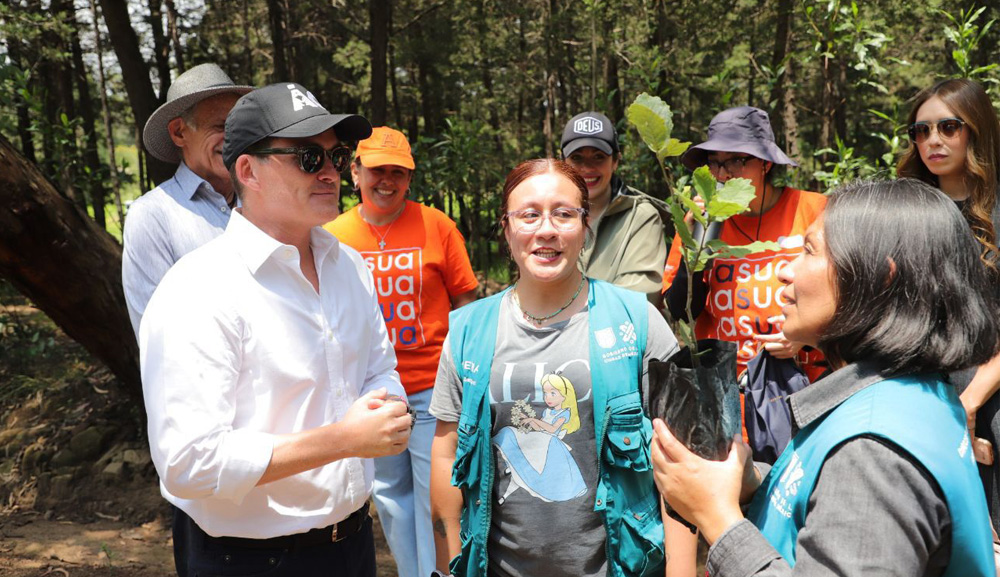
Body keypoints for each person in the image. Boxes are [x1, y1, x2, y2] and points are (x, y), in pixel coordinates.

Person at [652, 179, 999, 576]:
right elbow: (833, 500)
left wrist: (718, 520)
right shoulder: (910, 392)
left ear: (879, 278)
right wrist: (753, 482)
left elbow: (862, 490)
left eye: (809, 250)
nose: (784, 271)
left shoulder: (873, 454)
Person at [140, 82, 411, 577]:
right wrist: (345, 439)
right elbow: (190, 462)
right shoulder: (198, 290)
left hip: (350, 544)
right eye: (310, 157)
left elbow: (380, 370)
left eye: (336, 155)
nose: (331, 172)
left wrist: (384, 408)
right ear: (248, 170)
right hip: (248, 558)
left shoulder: (348, 266)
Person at [428, 159, 680, 577]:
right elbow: (445, 457)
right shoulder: (468, 331)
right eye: (529, 215)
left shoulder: (636, 321)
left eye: (564, 213)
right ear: (506, 229)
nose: (546, 229)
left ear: (585, 226)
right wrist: (447, 567)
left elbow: (678, 460)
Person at [325, 126, 479, 577]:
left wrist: (467, 376)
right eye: (376, 170)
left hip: (433, 390)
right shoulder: (332, 235)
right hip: (371, 395)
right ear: (355, 172)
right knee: (391, 500)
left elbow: (466, 304)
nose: (386, 180)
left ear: (410, 178)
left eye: (398, 171)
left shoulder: (437, 225)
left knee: (436, 499)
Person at [897, 78, 1000, 534]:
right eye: (921, 130)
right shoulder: (906, 211)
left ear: (975, 130)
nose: (932, 140)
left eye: (948, 127)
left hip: (991, 399)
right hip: (920, 395)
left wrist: (972, 399)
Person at [662, 106, 828, 382]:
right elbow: (680, 311)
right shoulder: (702, 221)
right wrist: (696, 247)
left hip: (799, 383)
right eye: (714, 162)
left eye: (736, 161)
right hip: (723, 387)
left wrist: (805, 338)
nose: (722, 174)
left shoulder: (814, 211)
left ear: (766, 163)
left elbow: (848, 298)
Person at [122, 63, 252, 337]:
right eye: (220, 126)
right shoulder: (152, 216)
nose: (234, 139)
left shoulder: (263, 200)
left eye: (239, 127)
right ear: (179, 133)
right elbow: (159, 335)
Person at [561, 111, 670, 303]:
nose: (587, 168)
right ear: (563, 162)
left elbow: (637, 299)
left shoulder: (640, 217)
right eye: (577, 158)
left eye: (598, 157)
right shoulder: (547, 217)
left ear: (616, 161)